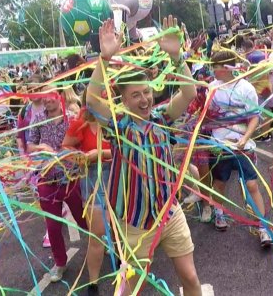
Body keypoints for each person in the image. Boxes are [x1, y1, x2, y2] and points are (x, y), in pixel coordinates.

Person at [86, 16, 201, 296]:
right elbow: (91, 101)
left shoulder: (161, 118)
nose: (144, 99)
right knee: (131, 288)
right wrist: (104, 58)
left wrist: (177, 57)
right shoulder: (119, 126)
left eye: (147, 92)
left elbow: (190, 92)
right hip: (134, 221)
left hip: (168, 212)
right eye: (136, 95)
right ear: (123, 101)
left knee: (190, 277)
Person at [207, 50, 273, 248]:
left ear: (226, 67)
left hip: (241, 145)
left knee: (252, 185)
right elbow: (206, 116)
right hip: (219, 145)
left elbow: (254, 116)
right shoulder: (212, 88)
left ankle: (263, 227)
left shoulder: (246, 88)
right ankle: (219, 215)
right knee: (219, 182)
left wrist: (245, 138)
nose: (213, 71)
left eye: (215, 67)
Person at [27, 87, 88, 283]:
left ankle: (100, 243)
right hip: (47, 179)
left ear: (60, 96)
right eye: (43, 97)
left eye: (51, 96)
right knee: (52, 226)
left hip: (71, 179)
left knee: (83, 218)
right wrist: (40, 148)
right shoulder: (38, 120)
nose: (47, 100)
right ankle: (60, 263)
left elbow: (82, 144)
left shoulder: (72, 118)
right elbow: (30, 147)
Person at [62, 92, 114, 294]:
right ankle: (93, 283)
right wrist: (81, 159)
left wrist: (101, 153)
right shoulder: (81, 122)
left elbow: (127, 149)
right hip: (93, 180)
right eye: (97, 99)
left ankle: (121, 261)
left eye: (105, 98)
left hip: (121, 177)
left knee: (123, 227)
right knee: (97, 235)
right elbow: (66, 148)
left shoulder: (118, 121)